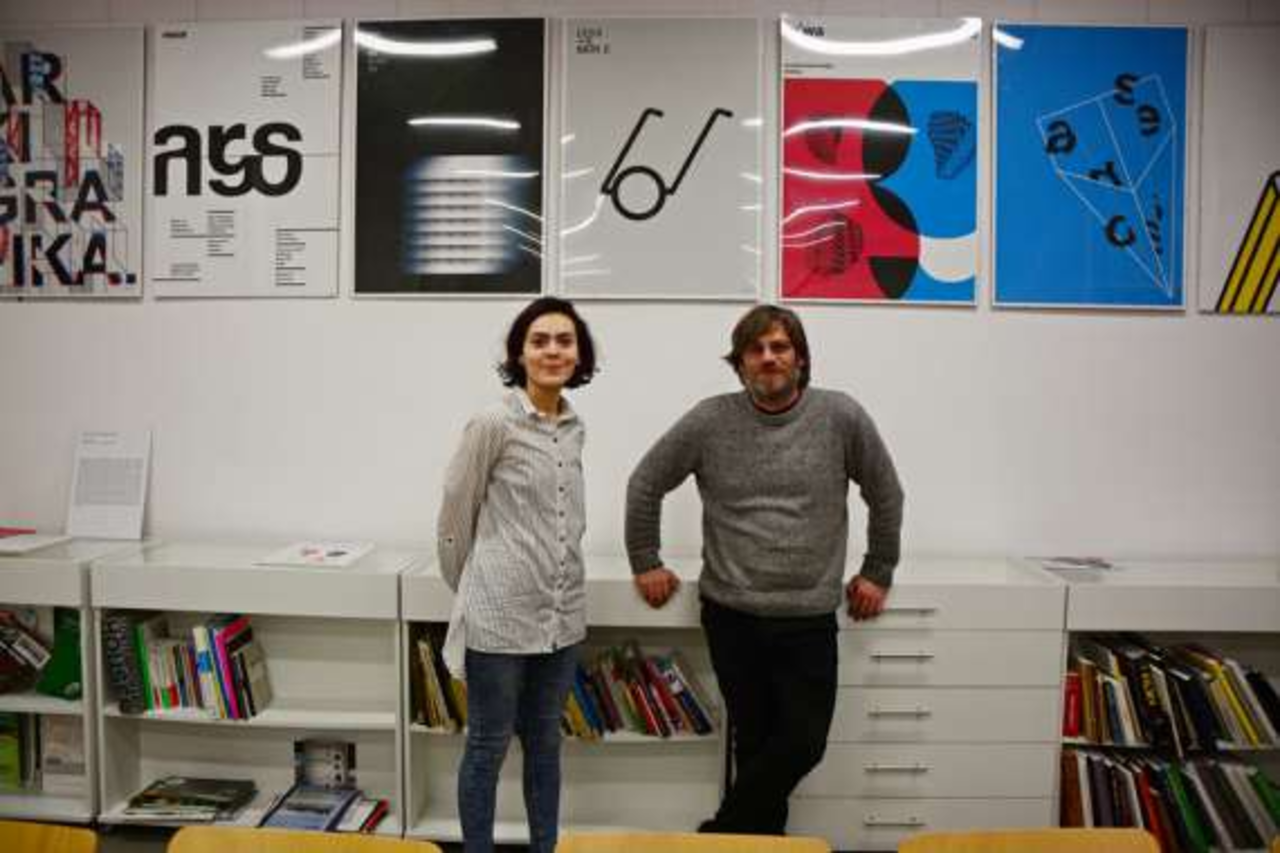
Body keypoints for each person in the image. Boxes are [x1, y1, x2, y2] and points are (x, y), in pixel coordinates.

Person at [624, 304, 904, 836]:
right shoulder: (709, 420)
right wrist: (646, 559)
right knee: (753, 743)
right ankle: (761, 845)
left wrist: (878, 569)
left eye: (780, 347)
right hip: (732, 614)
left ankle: (722, 835)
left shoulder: (841, 416)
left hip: (808, 615)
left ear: (801, 359)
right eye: (756, 350)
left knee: (804, 742)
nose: (769, 357)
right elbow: (645, 483)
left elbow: (886, 493)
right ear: (740, 364)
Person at [437, 297, 598, 853]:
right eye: (539, 340)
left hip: (561, 618)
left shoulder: (575, 427)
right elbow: (454, 518)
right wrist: (477, 589)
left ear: (579, 355)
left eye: (564, 341)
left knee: (546, 746)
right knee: (487, 746)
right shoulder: (493, 423)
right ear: (519, 354)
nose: (553, 350)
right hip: (499, 620)